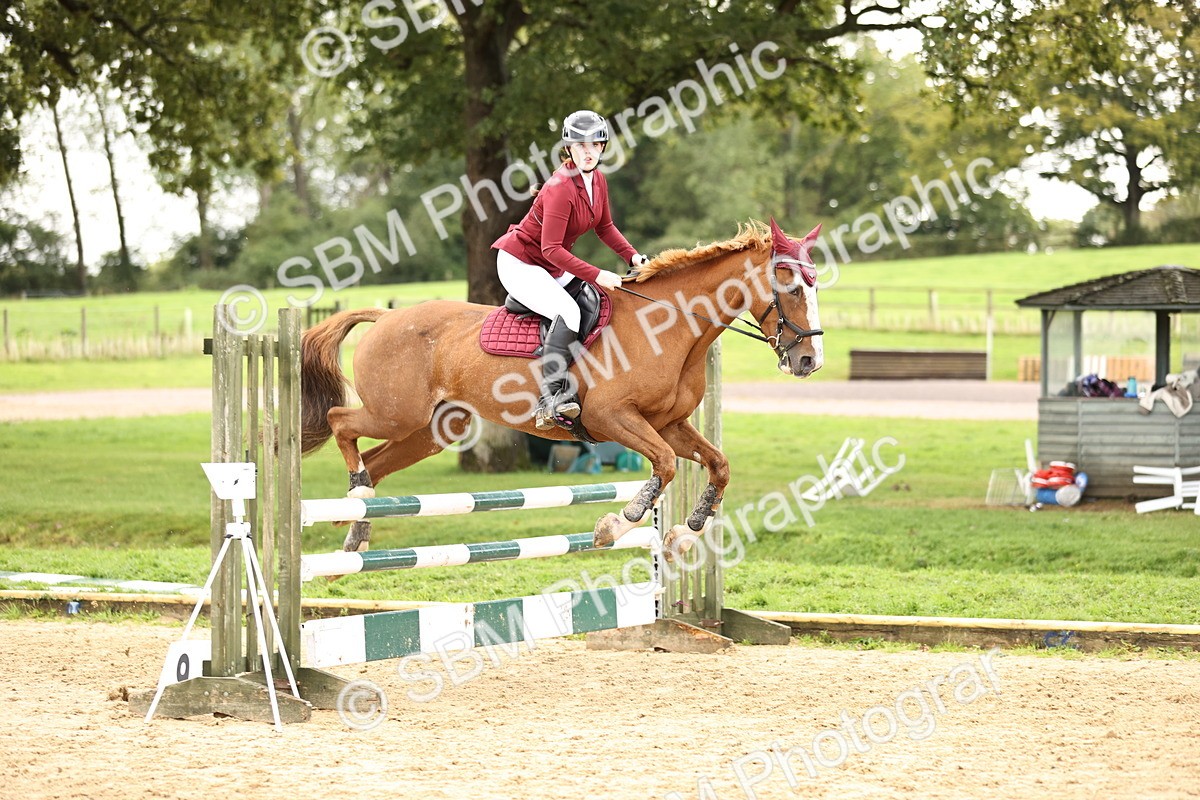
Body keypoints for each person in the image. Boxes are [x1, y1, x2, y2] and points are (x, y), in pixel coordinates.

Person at [492, 109, 649, 431]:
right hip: (521, 263)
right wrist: (597, 273)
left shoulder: (598, 180)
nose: (588, 152)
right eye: (580, 145)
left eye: (595, 145)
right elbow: (550, 248)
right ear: (568, 148)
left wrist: (633, 257)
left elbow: (605, 227)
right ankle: (549, 399)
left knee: (595, 300)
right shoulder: (560, 188)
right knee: (569, 311)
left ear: (603, 147)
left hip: (549, 264)